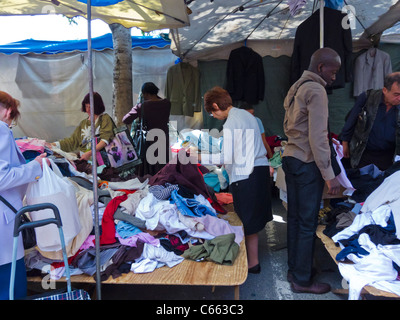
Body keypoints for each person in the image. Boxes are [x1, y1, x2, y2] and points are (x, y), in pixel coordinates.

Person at [282, 47, 341, 294]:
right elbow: (318, 137)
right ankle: (303, 281)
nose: (335, 77)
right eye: (333, 71)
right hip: (307, 163)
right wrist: (330, 176)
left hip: (291, 158)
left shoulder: (297, 86)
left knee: (295, 219)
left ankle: (296, 270)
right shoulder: (316, 90)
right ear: (320, 68)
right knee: (307, 224)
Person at [200, 86, 272, 274]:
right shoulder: (247, 115)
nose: (213, 116)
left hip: (246, 175)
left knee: (246, 219)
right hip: (260, 170)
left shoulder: (231, 122)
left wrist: (198, 157)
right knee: (252, 221)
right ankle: (253, 262)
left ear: (216, 105)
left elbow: (226, 157)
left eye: (211, 112)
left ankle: (246, 263)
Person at [0, 91, 49, 300]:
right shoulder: (0, 129)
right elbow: (1, 177)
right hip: (3, 223)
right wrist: (34, 167)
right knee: (10, 288)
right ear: (8, 111)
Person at [340, 72, 400, 171]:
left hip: (389, 156)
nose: (399, 98)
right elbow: (351, 120)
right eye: (396, 94)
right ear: (385, 90)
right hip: (364, 153)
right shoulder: (367, 98)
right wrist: (345, 142)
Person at [47, 92, 115, 162]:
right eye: (86, 106)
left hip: (104, 162)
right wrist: (53, 145)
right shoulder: (83, 123)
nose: (88, 110)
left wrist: (88, 153)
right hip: (87, 162)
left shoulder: (104, 119)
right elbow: (72, 142)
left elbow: (105, 141)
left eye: (90, 107)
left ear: (97, 106)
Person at [123, 82, 171, 176]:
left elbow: (125, 120)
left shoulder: (142, 106)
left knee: (148, 169)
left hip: (148, 142)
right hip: (163, 139)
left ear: (145, 94)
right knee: (161, 166)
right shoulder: (167, 103)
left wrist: (138, 108)